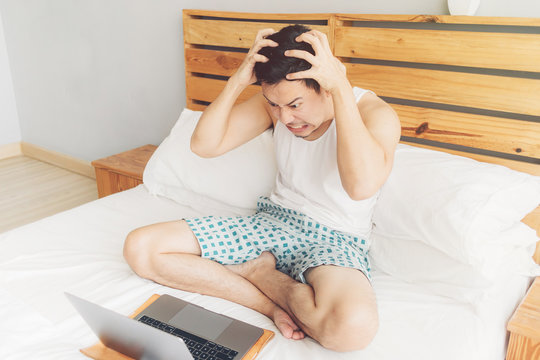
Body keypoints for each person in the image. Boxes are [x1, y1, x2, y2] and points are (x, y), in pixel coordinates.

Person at [123, 24, 400, 352]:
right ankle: (268, 302)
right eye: (274, 105)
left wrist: (341, 90)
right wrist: (237, 81)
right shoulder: (278, 105)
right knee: (141, 248)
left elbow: (360, 187)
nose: (284, 119)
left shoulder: (374, 114)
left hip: (335, 238)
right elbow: (205, 145)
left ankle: (261, 274)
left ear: (325, 86)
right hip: (273, 223)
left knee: (351, 331)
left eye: (295, 105)